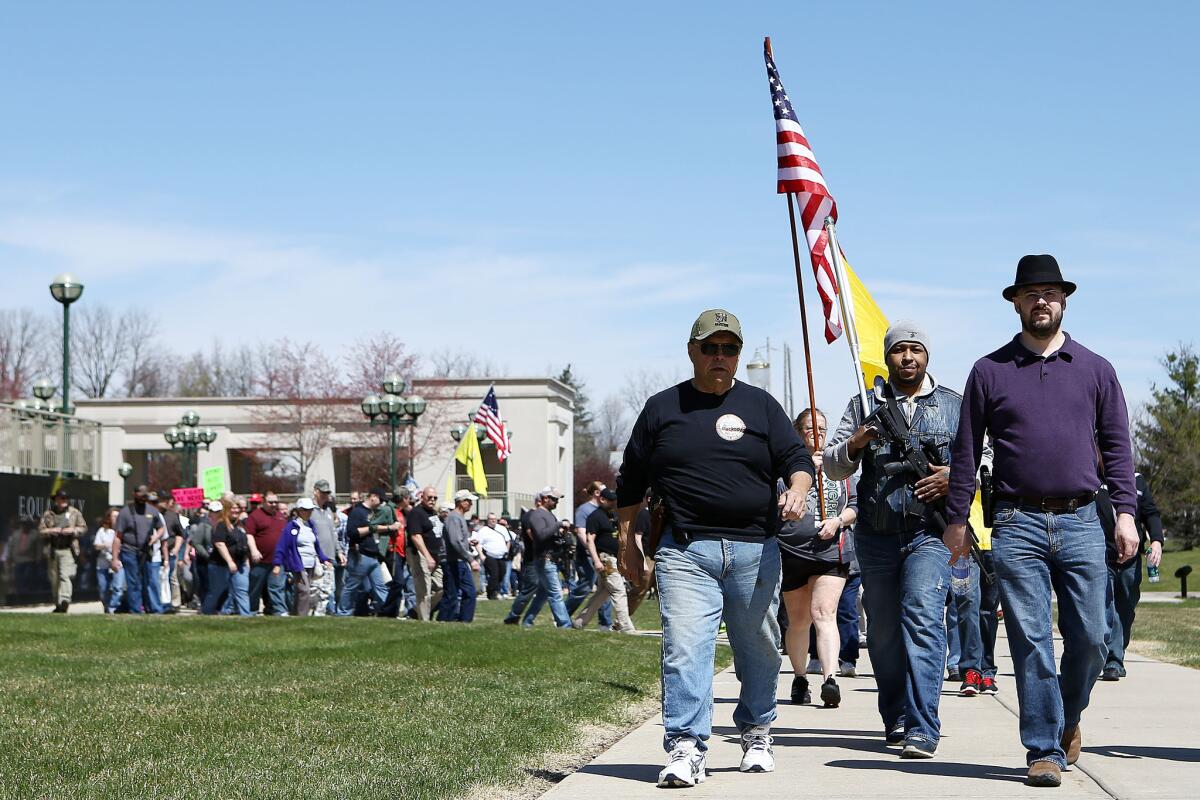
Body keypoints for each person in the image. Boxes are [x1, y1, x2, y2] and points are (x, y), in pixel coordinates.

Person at [945, 254, 1139, 788]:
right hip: (1016, 521)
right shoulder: (989, 371)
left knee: (1095, 637)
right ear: (1015, 302)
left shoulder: (1097, 369)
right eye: (1031, 294)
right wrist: (957, 518)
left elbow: (1119, 448)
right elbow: (966, 451)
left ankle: (1068, 715)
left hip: (1082, 521)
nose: (1041, 301)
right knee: (1030, 639)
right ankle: (1044, 748)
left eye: (1050, 292)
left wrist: (1126, 513)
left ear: (1064, 300)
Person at [615, 309, 814, 786]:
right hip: (685, 551)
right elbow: (631, 480)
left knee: (760, 649)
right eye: (711, 347)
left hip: (756, 551)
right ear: (692, 351)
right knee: (686, 649)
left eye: (730, 349)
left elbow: (796, 457)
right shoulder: (662, 408)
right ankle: (685, 746)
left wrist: (800, 487)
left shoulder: (762, 406)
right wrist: (627, 542)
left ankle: (757, 733)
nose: (720, 357)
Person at [824, 321, 966, 759]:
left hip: (929, 533)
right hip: (876, 534)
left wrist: (952, 478)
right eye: (899, 350)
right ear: (886, 357)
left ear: (927, 355)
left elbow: (986, 457)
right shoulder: (862, 404)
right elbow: (832, 466)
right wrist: (858, 441)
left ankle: (925, 727)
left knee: (922, 619)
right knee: (883, 634)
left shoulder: (954, 406)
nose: (908, 358)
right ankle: (897, 716)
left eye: (915, 350)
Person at [779, 408, 857, 709]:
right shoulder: (786, 465)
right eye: (810, 428)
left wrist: (838, 521)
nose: (818, 434)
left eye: (822, 428)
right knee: (799, 620)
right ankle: (800, 678)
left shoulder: (839, 463)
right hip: (793, 549)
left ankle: (829, 679)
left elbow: (856, 504)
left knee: (823, 612)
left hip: (830, 550)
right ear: (798, 432)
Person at [1099, 471, 1163, 680]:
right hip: (1102, 557)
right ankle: (1110, 660)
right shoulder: (1091, 480)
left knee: (1124, 609)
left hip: (1131, 560)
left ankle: (1116, 657)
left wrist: (1156, 541)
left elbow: (1151, 513)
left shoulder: (1136, 480)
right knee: (1104, 607)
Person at [503, 489, 574, 627]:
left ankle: (527, 621)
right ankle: (565, 624)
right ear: (545, 498)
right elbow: (540, 536)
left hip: (551, 558)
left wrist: (560, 534)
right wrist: (558, 525)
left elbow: (549, 534)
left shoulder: (549, 515)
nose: (557, 502)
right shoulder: (536, 515)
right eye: (554, 499)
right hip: (544, 559)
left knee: (543, 595)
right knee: (555, 593)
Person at [573, 489, 636, 633]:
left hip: (614, 558)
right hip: (605, 559)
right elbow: (590, 540)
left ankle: (579, 622)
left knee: (603, 593)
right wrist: (596, 560)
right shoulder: (595, 517)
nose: (613, 503)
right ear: (601, 499)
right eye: (610, 500)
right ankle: (626, 627)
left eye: (614, 500)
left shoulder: (612, 515)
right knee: (619, 591)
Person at [272, 497, 333, 616]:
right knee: (305, 590)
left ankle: (295, 614)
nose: (309, 512)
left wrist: (324, 559)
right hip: (297, 564)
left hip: (311, 563)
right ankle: (302, 616)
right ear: (299, 510)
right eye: (306, 510)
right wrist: (277, 564)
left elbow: (315, 546)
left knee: (301, 591)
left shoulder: (311, 525)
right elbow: (282, 545)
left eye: (310, 510)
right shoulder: (291, 527)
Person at [112, 485, 165, 615]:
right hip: (129, 551)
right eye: (140, 496)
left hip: (147, 552)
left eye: (145, 496)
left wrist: (156, 536)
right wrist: (114, 558)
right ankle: (136, 610)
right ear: (134, 494)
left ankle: (156, 610)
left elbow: (161, 528)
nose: (142, 499)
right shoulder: (125, 512)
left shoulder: (152, 511)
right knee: (134, 582)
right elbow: (118, 537)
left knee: (151, 580)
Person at [336, 488, 390, 615]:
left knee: (381, 586)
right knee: (351, 586)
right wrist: (372, 528)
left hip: (374, 556)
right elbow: (352, 532)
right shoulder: (358, 512)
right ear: (373, 497)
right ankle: (343, 612)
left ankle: (388, 611)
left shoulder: (374, 513)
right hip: (361, 556)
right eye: (380, 500)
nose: (381, 503)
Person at [566, 481, 612, 628]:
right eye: (603, 490)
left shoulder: (604, 511)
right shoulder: (583, 510)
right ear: (597, 493)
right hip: (587, 555)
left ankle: (605, 623)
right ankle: (563, 614)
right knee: (586, 586)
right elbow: (580, 532)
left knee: (606, 586)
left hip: (603, 555)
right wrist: (593, 552)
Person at [39, 488, 87, 613]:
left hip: (68, 549)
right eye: (61, 498)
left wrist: (73, 530)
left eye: (66, 498)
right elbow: (41, 530)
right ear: (56, 500)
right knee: (54, 579)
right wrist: (51, 531)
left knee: (65, 575)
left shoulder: (74, 513)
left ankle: (65, 600)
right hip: (53, 550)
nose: (64, 500)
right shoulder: (48, 514)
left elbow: (83, 528)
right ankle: (58, 603)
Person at [438, 490, 481, 622]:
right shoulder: (454, 518)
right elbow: (455, 541)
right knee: (451, 594)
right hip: (453, 561)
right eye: (469, 501)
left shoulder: (458, 518)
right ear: (461, 502)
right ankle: (444, 620)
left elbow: (457, 539)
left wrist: (467, 543)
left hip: (459, 561)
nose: (471, 504)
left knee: (469, 592)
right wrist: (470, 559)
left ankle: (464, 620)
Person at [204, 499, 252, 616]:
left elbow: (243, 544)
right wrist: (230, 562)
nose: (236, 510)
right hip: (220, 565)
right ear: (226, 510)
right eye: (233, 508)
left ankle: (246, 617)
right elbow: (220, 544)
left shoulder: (241, 525)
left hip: (240, 564)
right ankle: (206, 613)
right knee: (216, 591)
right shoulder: (221, 525)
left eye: (238, 508)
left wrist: (246, 561)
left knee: (242, 591)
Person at [243, 492, 288, 615]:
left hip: (277, 561)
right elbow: (249, 534)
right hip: (260, 560)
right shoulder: (255, 516)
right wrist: (253, 550)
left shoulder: (280, 516)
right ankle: (251, 611)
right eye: (270, 502)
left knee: (277, 587)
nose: (274, 504)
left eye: (275, 502)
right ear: (263, 502)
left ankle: (279, 611)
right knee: (255, 587)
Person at [405, 487, 444, 620]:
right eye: (429, 497)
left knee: (443, 587)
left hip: (435, 555)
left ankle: (416, 611)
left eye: (435, 498)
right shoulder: (416, 513)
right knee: (423, 590)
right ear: (422, 497)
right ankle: (424, 620)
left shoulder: (433, 513)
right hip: (420, 555)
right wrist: (427, 556)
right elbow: (416, 536)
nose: (432, 500)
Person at [310, 480, 345, 616]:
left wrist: (339, 551)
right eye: (323, 492)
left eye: (327, 493)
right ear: (316, 492)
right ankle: (313, 614)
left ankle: (323, 614)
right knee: (315, 589)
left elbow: (333, 534)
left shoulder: (329, 511)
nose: (325, 495)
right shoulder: (309, 511)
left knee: (328, 589)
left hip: (330, 557)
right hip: (316, 558)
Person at [156, 493, 187, 613]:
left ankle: (175, 603)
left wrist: (177, 548)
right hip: (156, 552)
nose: (163, 503)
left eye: (165, 501)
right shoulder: (154, 515)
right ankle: (160, 601)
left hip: (171, 552)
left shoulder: (173, 516)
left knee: (172, 578)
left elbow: (180, 535)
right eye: (161, 501)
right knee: (157, 578)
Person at [474, 513, 511, 601]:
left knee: (502, 573)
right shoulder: (483, 531)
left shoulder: (502, 529)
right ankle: (494, 592)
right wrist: (481, 555)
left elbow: (508, 540)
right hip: (490, 555)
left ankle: (492, 590)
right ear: (488, 520)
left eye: (494, 519)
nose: (493, 520)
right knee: (494, 574)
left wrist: (507, 550)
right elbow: (478, 544)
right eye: (491, 519)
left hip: (502, 556)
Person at [93, 508, 122, 613]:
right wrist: (105, 545)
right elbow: (96, 546)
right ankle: (106, 606)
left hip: (117, 563)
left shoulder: (121, 531)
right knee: (103, 587)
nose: (116, 519)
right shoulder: (102, 531)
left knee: (117, 587)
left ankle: (112, 608)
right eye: (114, 516)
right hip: (103, 563)